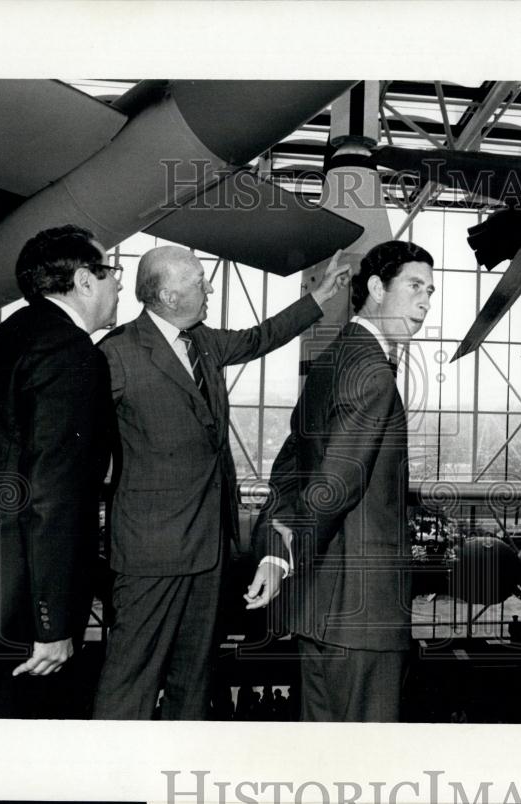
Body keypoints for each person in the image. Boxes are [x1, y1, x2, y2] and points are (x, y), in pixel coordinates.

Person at [92, 245, 349, 720]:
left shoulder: (203, 342)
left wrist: (318, 299)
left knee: (194, 682)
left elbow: (259, 338)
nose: (209, 288)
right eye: (198, 281)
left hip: (209, 551)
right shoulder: (117, 353)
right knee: (130, 683)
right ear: (168, 294)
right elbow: (82, 442)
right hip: (150, 554)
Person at [246, 239, 434, 721]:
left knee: (323, 763)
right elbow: (337, 487)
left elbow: (288, 468)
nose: (425, 303)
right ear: (375, 287)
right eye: (415, 286)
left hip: (318, 611)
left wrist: (275, 548)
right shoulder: (374, 372)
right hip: (364, 616)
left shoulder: (330, 360)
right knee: (366, 770)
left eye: (430, 292)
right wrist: (285, 556)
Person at [0, 225, 119, 717]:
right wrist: (52, 623)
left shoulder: (4, 340)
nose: (118, 286)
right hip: (20, 613)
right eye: (111, 274)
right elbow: (52, 495)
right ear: (85, 281)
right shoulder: (70, 352)